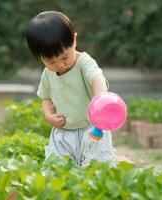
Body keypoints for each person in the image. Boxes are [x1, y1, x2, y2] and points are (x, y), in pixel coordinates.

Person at [26, 11, 116, 166]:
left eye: (65, 57)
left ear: (74, 40)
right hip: (63, 133)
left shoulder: (84, 63)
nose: (59, 65)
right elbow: (46, 97)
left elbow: (96, 77)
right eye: (51, 61)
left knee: (97, 167)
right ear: (41, 57)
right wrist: (48, 115)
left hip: (93, 130)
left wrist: (101, 100)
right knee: (58, 169)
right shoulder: (48, 73)